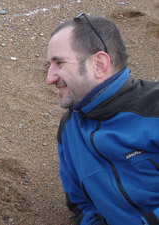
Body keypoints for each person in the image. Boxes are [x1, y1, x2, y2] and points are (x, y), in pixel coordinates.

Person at [46, 13, 159, 225]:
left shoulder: (154, 111)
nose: (49, 78)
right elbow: (80, 205)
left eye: (59, 63)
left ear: (99, 64)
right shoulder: (69, 129)